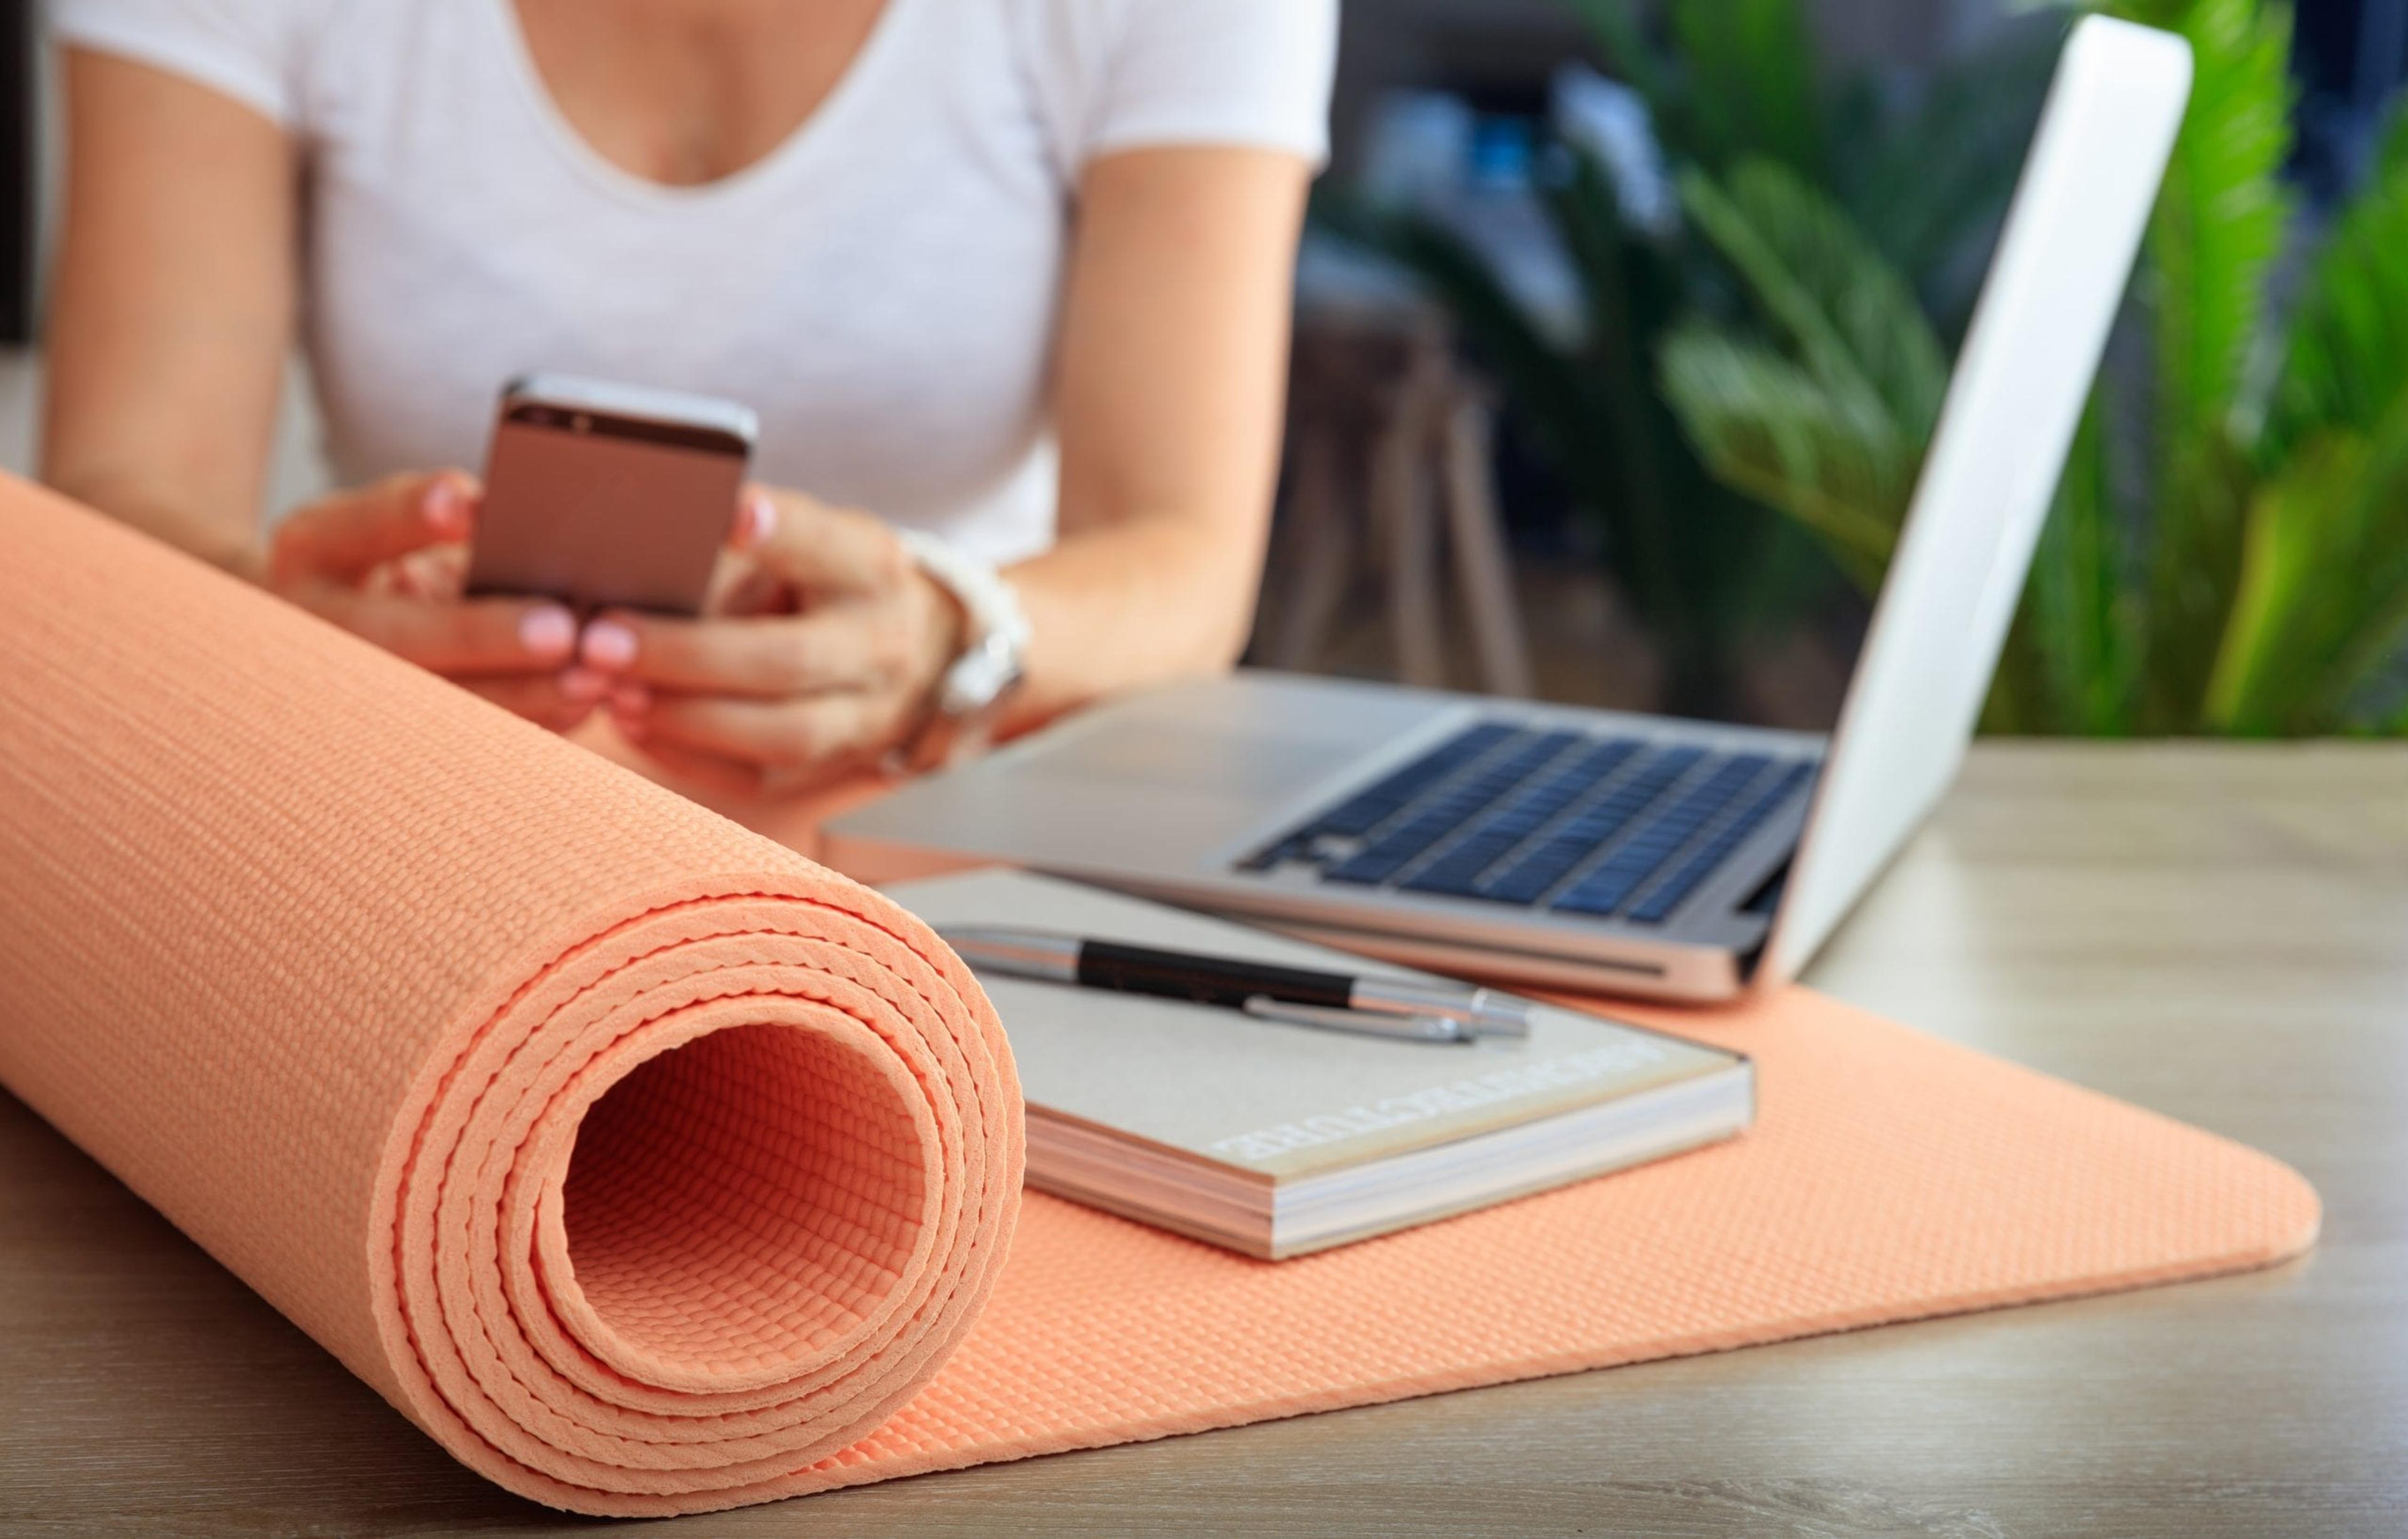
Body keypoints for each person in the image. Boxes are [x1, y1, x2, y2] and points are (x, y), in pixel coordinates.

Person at [43, 0, 1336, 790]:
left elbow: (1184, 559)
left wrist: (947, 633)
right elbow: (116, 497)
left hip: (946, 823)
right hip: (417, 796)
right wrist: (287, 614)